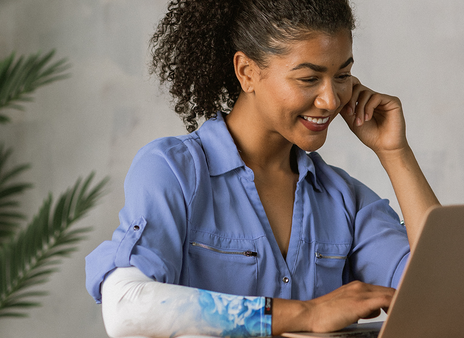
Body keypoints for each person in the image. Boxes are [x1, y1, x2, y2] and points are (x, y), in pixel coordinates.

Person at [85, 0, 440, 337]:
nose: (331, 100)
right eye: (308, 78)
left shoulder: (346, 200)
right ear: (247, 71)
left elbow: (444, 297)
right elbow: (124, 307)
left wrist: (395, 152)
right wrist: (306, 314)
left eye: (342, 75)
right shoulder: (174, 172)